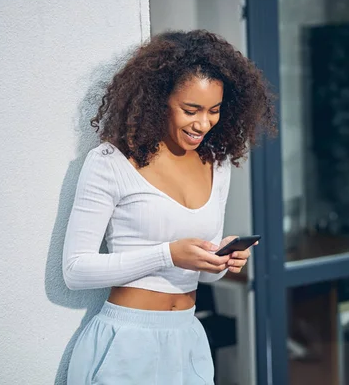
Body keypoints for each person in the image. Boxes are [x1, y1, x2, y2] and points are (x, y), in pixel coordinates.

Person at [62, 29, 276, 384]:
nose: (203, 124)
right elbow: (75, 270)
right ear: (159, 99)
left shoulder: (217, 164)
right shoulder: (111, 163)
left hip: (188, 339)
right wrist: (167, 255)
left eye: (214, 111)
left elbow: (203, 275)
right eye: (190, 110)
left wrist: (219, 259)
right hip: (126, 344)